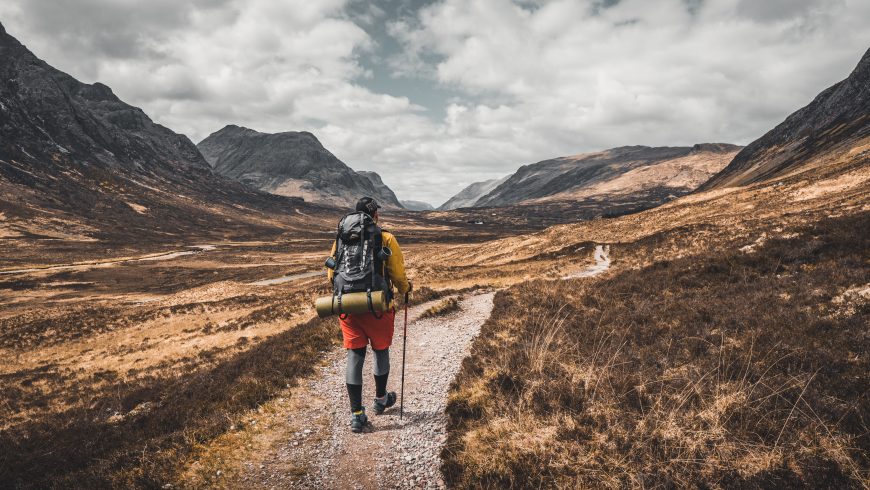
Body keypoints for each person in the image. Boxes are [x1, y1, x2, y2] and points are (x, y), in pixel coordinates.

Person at [327, 197, 411, 433]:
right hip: (377, 307)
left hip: (349, 307)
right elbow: (396, 272)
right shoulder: (385, 238)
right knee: (381, 351)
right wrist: (405, 289)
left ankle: (356, 414)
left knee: (355, 355)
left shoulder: (342, 238)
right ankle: (381, 399)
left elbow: (331, 273)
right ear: (375, 216)